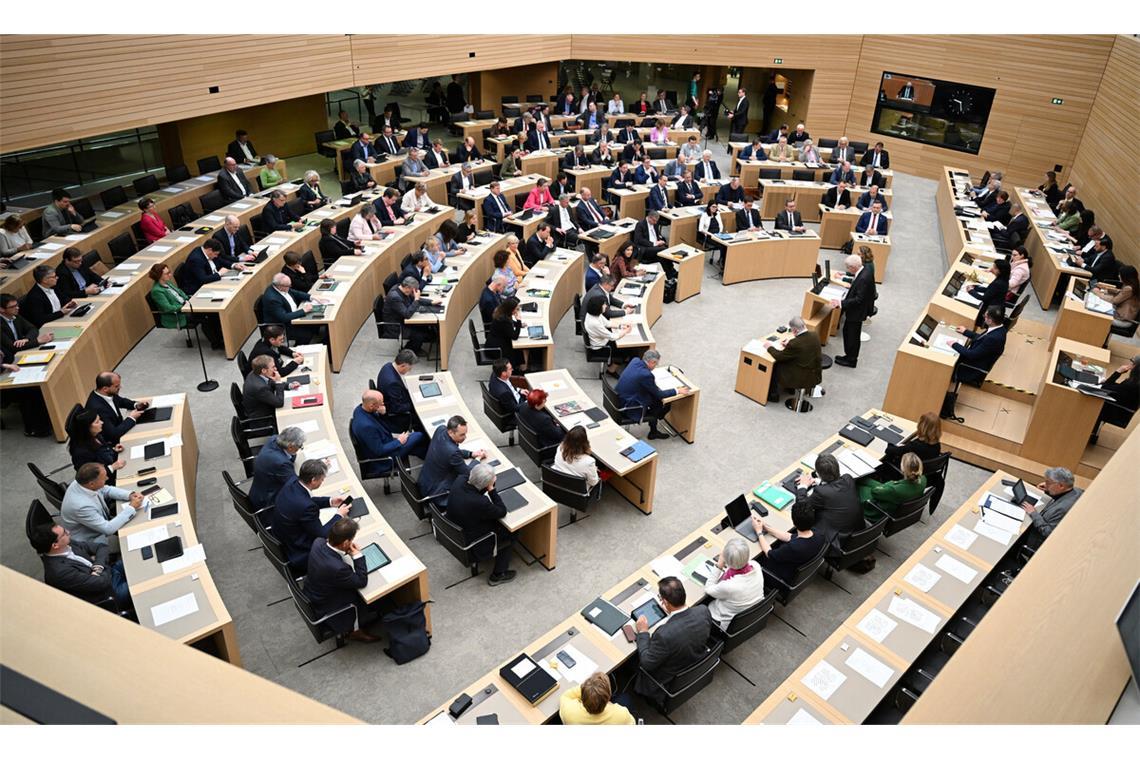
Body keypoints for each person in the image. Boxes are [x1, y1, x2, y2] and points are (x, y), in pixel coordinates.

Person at [632, 576, 713, 705]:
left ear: (665, 602)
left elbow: (646, 663)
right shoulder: (703, 611)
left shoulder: (664, 635)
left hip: (666, 680)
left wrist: (643, 632)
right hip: (692, 662)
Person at [303, 518, 381, 643]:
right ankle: (355, 631)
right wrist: (357, 556)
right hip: (332, 604)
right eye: (351, 539)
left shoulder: (318, 542)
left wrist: (345, 551)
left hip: (314, 592)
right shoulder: (338, 569)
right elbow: (361, 581)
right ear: (345, 543)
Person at [32, 522, 131, 609]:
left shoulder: (67, 543)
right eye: (64, 533)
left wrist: (98, 568)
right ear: (55, 545)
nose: (68, 532)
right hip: (110, 593)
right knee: (143, 579)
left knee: (138, 559)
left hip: (108, 572)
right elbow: (101, 583)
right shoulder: (59, 572)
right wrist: (101, 564)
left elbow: (101, 547)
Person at [272, 459, 349, 571]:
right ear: (313, 480)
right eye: (322, 479)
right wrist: (339, 515)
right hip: (300, 548)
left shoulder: (293, 482)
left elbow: (305, 500)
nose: (322, 482)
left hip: (283, 534)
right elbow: (322, 534)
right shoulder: (307, 507)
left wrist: (330, 501)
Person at [446, 464, 516, 585]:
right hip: (474, 541)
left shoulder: (459, 480)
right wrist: (492, 490)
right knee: (511, 531)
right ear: (486, 485)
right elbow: (501, 511)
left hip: (457, 529)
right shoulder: (480, 502)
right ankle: (499, 574)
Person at [60, 463, 143, 549]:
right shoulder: (80, 507)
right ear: (92, 484)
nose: (107, 478)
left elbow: (105, 489)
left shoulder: (83, 483)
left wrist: (129, 495)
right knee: (136, 540)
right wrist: (132, 507)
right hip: (91, 541)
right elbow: (108, 529)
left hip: (100, 525)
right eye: (104, 478)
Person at [789, 452, 862, 546]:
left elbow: (802, 507)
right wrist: (818, 481)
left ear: (818, 474)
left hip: (837, 541)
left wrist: (803, 486)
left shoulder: (821, 492)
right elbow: (835, 488)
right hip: (858, 533)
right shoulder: (848, 479)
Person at [350, 389, 427, 477]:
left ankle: (432, 459)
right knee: (419, 435)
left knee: (416, 448)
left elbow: (380, 426)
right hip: (385, 458)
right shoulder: (367, 427)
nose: (383, 405)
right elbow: (379, 451)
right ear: (371, 406)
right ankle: (433, 458)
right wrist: (399, 441)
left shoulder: (359, 409)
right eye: (381, 404)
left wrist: (382, 413)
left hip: (385, 440)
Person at [149, 263, 224, 348]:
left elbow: (180, 292)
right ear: (159, 276)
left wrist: (188, 298)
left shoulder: (167, 283)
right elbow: (168, 308)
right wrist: (184, 307)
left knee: (211, 312)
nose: (170, 275)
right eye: (167, 273)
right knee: (204, 317)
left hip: (185, 305)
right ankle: (216, 343)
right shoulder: (157, 291)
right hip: (178, 314)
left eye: (169, 272)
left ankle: (221, 336)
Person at [616, 349, 686, 440]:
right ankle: (655, 424)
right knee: (659, 401)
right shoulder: (646, 375)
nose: (656, 366)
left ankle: (655, 427)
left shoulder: (635, 361)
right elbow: (659, 394)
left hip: (620, 399)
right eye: (656, 364)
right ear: (652, 362)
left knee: (654, 397)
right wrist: (677, 391)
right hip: (629, 407)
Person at [418, 415, 488, 505]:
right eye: (462, 435)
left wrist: (471, 454)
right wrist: (478, 459)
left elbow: (451, 450)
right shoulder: (452, 452)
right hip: (436, 493)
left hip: (424, 482)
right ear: (451, 432)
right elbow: (468, 473)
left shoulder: (441, 429)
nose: (465, 437)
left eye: (465, 434)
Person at [703, 537, 766, 631]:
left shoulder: (729, 586)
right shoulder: (756, 565)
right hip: (750, 614)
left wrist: (719, 564)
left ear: (726, 560)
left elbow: (708, 588)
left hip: (722, 621)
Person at [1019, 467, 1082, 549]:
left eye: (1048, 483)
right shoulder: (1077, 491)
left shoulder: (1062, 509)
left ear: (1061, 486)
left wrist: (1033, 513)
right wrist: (1048, 490)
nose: (1045, 484)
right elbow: (1059, 497)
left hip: (1034, 541)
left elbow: (1048, 532)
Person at [830, 254, 874, 368]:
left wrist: (840, 303)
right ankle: (849, 356)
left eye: (848, 268)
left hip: (857, 313)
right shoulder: (864, 271)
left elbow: (858, 299)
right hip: (858, 311)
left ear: (853, 267)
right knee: (849, 333)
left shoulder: (863, 278)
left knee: (852, 336)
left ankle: (851, 360)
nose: (847, 269)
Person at [948, 305, 1007, 387]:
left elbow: (972, 355)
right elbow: (982, 338)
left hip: (970, 368)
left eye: (985, 316)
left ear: (990, 320)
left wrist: (954, 344)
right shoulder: (999, 329)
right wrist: (966, 332)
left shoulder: (993, 338)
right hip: (976, 359)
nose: (984, 318)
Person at [767, 316, 822, 403]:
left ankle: (773, 395)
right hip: (814, 372)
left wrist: (769, 347)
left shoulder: (795, 344)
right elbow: (803, 347)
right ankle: (790, 389)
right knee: (791, 360)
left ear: (795, 330)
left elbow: (779, 356)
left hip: (801, 376)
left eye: (792, 330)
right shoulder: (814, 335)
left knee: (776, 364)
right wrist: (789, 345)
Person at [859, 453, 927, 522]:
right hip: (893, 500)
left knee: (856, 485)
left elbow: (874, 491)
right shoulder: (923, 479)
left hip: (877, 510)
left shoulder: (894, 490)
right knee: (865, 480)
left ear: (903, 468)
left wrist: (890, 483)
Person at [85, 371, 147, 444]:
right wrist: (132, 418)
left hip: (121, 428)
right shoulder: (98, 408)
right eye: (117, 386)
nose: (120, 387)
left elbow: (121, 401)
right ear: (105, 389)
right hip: (114, 442)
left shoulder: (106, 393)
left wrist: (136, 404)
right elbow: (113, 434)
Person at [1090, 356, 1140, 443]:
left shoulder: (1131, 385)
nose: (1128, 364)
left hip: (1113, 410)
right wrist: (1108, 384)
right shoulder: (1135, 382)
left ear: (1136, 367)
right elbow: (1119, 389)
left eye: (1132, 362)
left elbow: (1105, 387)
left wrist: (1118, 372)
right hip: (1119, 408)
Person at [67, 409, 124, 485]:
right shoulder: (81, 452)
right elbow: (90, 477)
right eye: (97, 422)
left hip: (113, 468)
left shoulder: (95, 435)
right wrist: (112, 467)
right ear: (87, 428)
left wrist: (113, 449)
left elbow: (103, 450)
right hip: (105, 483)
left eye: (99, 419)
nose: (102, 422)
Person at [263, 272, 321, 345]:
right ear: (280, 286)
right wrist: (303, 310)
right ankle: (298, 348)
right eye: (288, 285)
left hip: (293, 316)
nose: (290, 287)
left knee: (315, 321)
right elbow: (284, 317)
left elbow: (295, 292)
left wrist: (311, 297)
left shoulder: (282, 287)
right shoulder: (272, 299)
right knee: (307, 334)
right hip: (283, 326)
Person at [381, 276, 434, 355]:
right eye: (413, 290)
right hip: (395, 325)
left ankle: (415, 347)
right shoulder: (395, 297)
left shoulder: (402, 289)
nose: (414, 292)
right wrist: (416, 300)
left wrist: (431, 302)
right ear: (407, 287)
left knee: (426, 328)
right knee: (420, 334)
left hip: (401, 319)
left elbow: (414, 298)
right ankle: (407, 352)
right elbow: (407, 314)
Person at [559, 672, 635, 725]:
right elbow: (632, 723)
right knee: (625, 698)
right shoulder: (622, 714)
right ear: (608, 697)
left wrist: (588, 687)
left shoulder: (569, 712)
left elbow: (566, 696)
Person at [584, 295, 632, 375]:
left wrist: (621, 326)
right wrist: (626, 331)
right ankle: (611, 370)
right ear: (598, 307)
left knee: (623, 341)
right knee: (625, 349)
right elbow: (613, 337)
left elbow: (607, 323)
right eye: (604, 305)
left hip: (603, 340)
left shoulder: (593, 314)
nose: (606, 306)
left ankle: (617, 362)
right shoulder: (594, 323)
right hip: (601, 348)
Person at [242, 354, 297, 419]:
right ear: (264, 370)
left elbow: (270, 382)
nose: (275, 369)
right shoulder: (260, 388)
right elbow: (279, 403)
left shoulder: (256, 372)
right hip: (263, 418)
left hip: (263, 405)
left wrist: (289, 385)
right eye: (273, 367)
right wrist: (278, 382)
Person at [1093, 265, 1139, 332]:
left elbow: (1114, 301)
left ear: (1126, 276)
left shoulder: (1129, 288)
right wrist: (1107, 290)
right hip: (1122, 316)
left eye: (1120, 275)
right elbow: (1120, 292)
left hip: (1122, 320)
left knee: (1095, 315)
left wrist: (1098, 294)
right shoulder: (1133, 285)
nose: (1118, 276)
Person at [487, 298, 527, 370]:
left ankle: (520, 368)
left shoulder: (501, 312)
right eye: (516, 309)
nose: (517, 310)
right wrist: (518, 321)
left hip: (494, 341)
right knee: (518, 349)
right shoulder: (504, 320)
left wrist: (519, 324)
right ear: (510, 309)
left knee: (518, 349)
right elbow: (514, 336)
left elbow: (509, 323)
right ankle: (518, 372)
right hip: (497, 348)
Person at [967, 258, 1010, 324]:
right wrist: (976, 288)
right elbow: (989, 290)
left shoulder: (998, 283)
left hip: (990, 310)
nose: (992, 268)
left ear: (1001, 271)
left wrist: (971, 291)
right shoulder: (1003, 279)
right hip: (996, 306)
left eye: (995, 268)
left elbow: (984, 299)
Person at [633, 211, 672, 276]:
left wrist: (660, 241)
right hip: (645, 249)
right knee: (664, 250)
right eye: (654, 220)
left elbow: (657, 235)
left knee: (662, 257)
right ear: (649, 217)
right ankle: (672, 272)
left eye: (656, 221)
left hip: (655, 247)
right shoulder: (640, 225)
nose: (655, 222)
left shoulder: (655, 224)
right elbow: (639, 240)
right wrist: (654, 244)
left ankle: (670, 274)